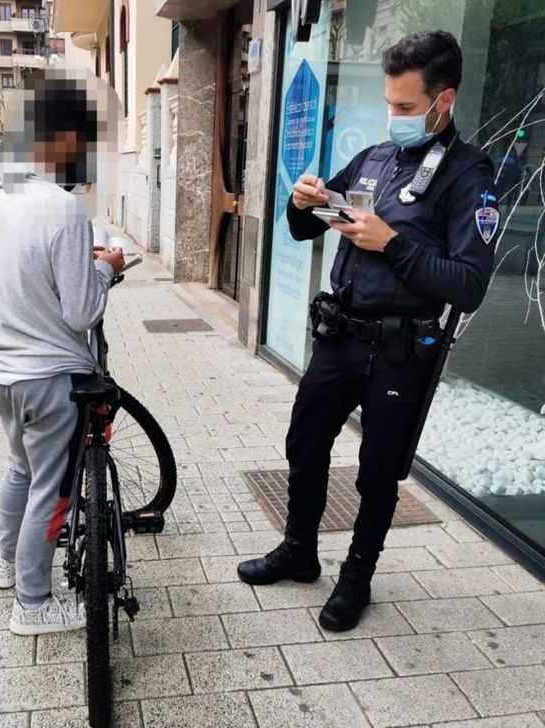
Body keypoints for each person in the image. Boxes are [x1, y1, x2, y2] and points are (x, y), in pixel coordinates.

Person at [238, 31, 498, 631]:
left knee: (377, 472)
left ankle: (357, 578)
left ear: (444, 100)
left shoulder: (467, 174)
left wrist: (395, 244)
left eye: (406, 107)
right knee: (304, 445)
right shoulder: (377, 158)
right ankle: (300, 551)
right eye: (390, 104)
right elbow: (307, 230)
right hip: (340, 336)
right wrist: (305, 203)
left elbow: (470, 285)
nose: (395, 116)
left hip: (400, 350)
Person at [0, 71, 125, 636]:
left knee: (18, 468)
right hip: (52, 378)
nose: (82, 156)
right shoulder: (60, 208)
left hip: (0, 372)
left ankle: (5, 566)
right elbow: (82, 312)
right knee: (52, 492)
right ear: (59, 136)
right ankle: (32, 604)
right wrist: (107, 267)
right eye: (82, 142)